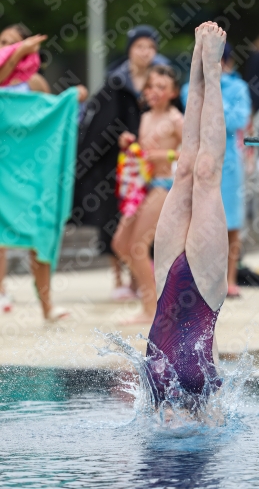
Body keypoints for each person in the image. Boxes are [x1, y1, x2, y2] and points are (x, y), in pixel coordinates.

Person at [146, 22, 228, 406]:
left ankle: (201, 61)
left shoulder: (202, 413)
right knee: (203, 172)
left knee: (188, 170)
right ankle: (207, 66)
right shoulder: (208, 402)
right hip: (204, 293)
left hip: (168, 285)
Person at [73, 25, 169, 301]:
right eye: (139, 47)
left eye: (150, 47)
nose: (145, 52)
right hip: (117, 166)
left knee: (145, 224)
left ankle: (140, 281)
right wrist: (118, 138)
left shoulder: (159, 82)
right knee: (113, 219)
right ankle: (118, 277)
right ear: (130, 49)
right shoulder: (115, 82)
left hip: (151, 165)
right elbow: (100, 126)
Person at [0, 24, 87, 318]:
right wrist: (18, 51)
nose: (5, 47)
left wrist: (72, 98)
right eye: (2, 42)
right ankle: (0, 294)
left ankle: (47, 305)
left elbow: (50, 122)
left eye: (11, 43)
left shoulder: (35, 84)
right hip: (2, 169)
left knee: (40, 233)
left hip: (31, 173)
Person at [112, 65, 183, 324]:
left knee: (137, 247)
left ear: (173, 92)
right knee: (120, 244)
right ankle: (157, 298)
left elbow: (194, 153)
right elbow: (144, 153)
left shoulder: (176, 120)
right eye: (151, 86)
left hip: (164, 186)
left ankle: (150, 308)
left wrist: (166, 154)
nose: (154, 91)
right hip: (144, 185)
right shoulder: (145, 117)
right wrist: (130, 145)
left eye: (162, 87)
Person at [181, 43, 251, 297]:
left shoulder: (238, 87)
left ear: (227, 63)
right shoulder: (189, 88)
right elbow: (195, 121)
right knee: (199, 221)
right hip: (200, 161)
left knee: (231, 223)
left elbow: (237, 121)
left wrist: (212, 99)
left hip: (230, 163)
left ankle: (230, 279)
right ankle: (201, 280)